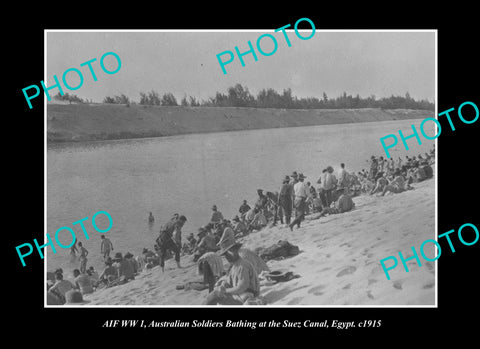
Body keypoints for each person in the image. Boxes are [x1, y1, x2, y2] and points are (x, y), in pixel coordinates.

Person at [203, 233, 259, 305]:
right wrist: (223, 285)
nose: (227, 256)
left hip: (247, 295)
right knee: (214, 293)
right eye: (225, 255)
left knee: (214, 296)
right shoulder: (234, 265)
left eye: (228, 253)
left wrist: (224, 291)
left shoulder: (242, 265)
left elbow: (241, 287)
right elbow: (228, 280)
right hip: (242, 294)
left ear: (235, 250)